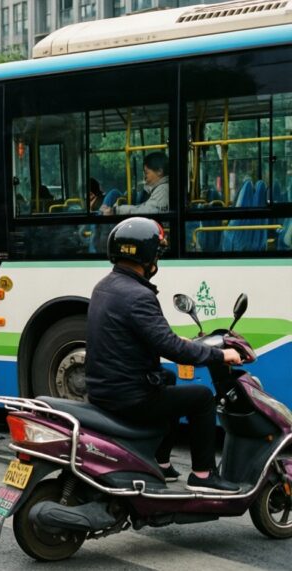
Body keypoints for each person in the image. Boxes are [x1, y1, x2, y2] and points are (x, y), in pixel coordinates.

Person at [85, 217, 243, 494]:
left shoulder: (105, 286)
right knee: (202, 398)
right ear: (146, 255)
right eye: (157, 253)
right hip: (128, 397)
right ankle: (204, 475)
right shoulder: (138, 295)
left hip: (105, 389)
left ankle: (160, 461)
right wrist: (221, 356)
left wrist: (175, 340)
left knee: (167, 377)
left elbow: (140, 335)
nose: (158, 260)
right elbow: (172, 349)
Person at [101, 152, 170, 215]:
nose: (145, 177)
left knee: (114, 194)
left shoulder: (163, 190)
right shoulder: (157, 189)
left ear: (159, 171)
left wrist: (117, 210)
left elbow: (148, 211)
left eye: (147, 173)